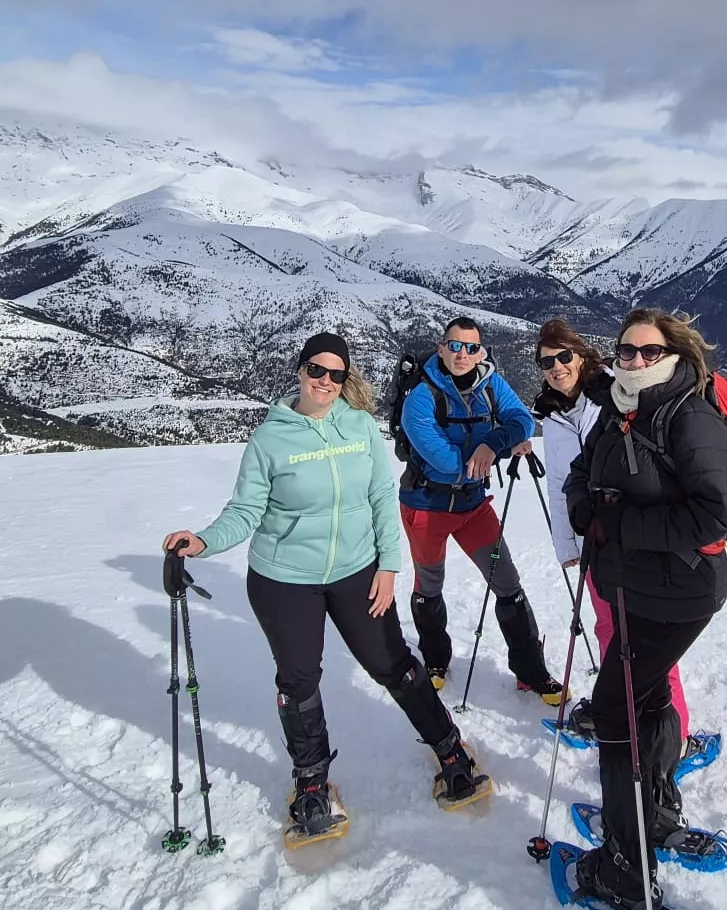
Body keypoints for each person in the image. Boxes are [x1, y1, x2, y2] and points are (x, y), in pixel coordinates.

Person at [163, 333, 487, 836]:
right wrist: (201, 543)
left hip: (358, 570)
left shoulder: (359, 429)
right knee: (299, 680)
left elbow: (382, 497)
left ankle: (449, 746)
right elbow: (246, 511)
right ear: (300, 370)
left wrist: (389, 567)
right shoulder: (270, 440)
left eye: (337, 374)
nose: (326, 382)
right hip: (283, 579)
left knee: (393, 664)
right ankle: (311, 781)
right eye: (317, 370)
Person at [564, 308, 727, 910]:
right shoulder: (618, 406)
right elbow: (582, 471)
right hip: (632, 586)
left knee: (615, 710)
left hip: (678, 593)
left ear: (673, 354)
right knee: (649, 696)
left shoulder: (690, 417)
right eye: (625, 350)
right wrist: (585, 506)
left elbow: (715, 514)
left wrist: (620, 524)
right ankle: (657, 809)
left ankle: (622, 866)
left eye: (647, 351)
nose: (634, 360)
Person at [533, 318, 694, 748]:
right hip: (594, 544)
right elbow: (558, 482)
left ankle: (674, 734)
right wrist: (566, 542)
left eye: (564, 356)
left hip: (634, 539)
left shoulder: (615, 395)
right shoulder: (552, 416)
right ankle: (622, 709)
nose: (556, 367)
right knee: (610, 631)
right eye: (547, 360)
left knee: (648, 641)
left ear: (581, 356)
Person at [398, 315, 563, 701]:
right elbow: (450, 464)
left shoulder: (490, 382)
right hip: (427, 506)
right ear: (442, 348)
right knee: (430, 584)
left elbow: (522, 419)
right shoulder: (420, 398)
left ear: (481, 352)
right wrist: (501, 446)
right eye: (454, 345)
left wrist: (494, 444)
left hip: (472, 506)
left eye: (471, 347)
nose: (462, 354)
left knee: (507, 582)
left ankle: (531, 671)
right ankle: (435, 659)